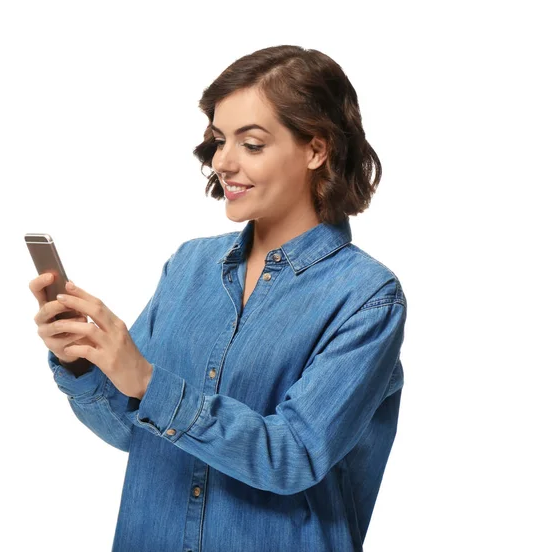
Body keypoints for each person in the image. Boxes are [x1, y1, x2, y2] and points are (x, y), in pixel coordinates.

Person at [29, 45, 407, 552]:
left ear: (316, 150)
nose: (223, 162)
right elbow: (134, 433)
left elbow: (293, 455)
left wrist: (146, 380)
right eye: (218, 140)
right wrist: (82, 363)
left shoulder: (366, 297)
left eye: (251, 144)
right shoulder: (189, 266)